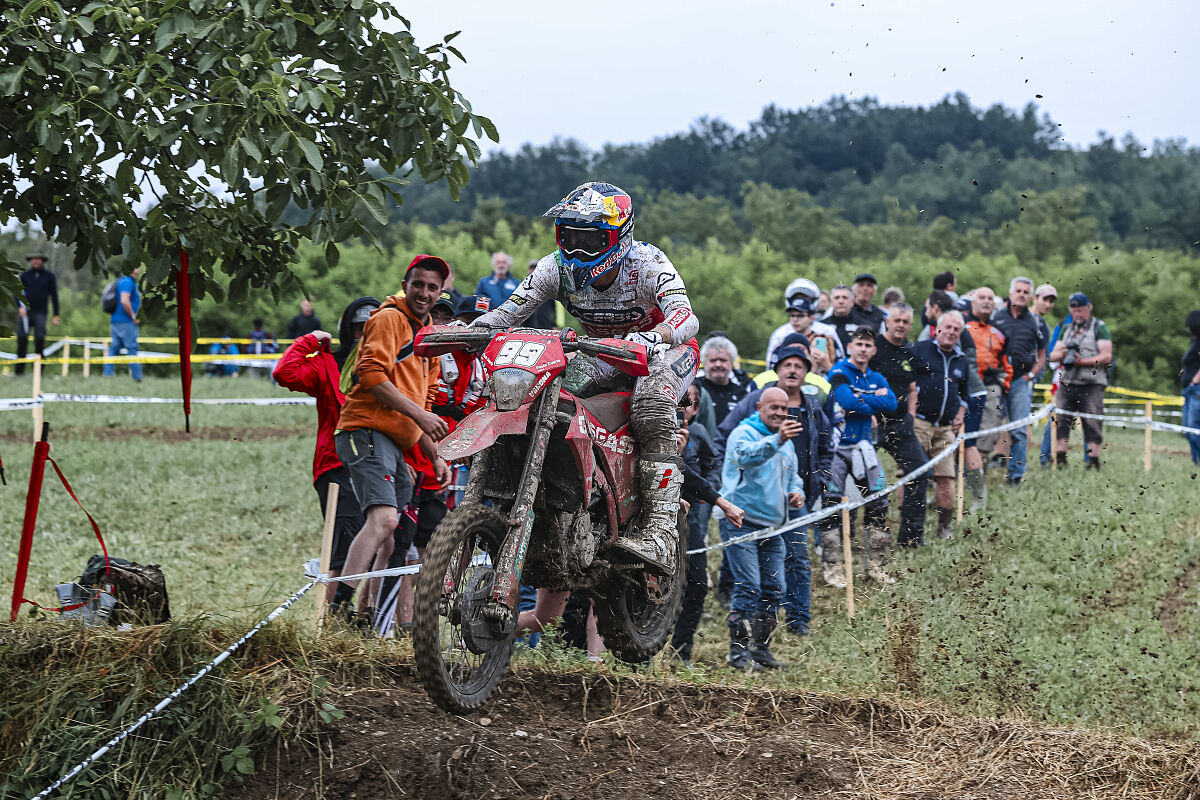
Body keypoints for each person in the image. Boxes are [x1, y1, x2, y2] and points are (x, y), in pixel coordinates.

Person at [473, 182, 700, 576]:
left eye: (589, 240)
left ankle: (661, 530)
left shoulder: (647, 264)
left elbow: (686, 316)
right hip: (600, 352)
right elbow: (505, 316)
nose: (577, 250)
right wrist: (468, 329)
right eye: (570, 237)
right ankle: (558, 499)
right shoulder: (553, 268)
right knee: (541, 394)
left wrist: (656, 336)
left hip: (663, 350)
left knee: (650, 403)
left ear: (619, 236)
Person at [333, 255, 452, 610]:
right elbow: (370, 375)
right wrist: (419, 415)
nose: (424, 293)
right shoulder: (389, 318)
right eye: (418, 284)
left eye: (433, 287)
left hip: (394, 439)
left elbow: (425, 403)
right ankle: (338, 608)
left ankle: (366, 611)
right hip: (364, 428)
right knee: (383, 519)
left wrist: (436, 456)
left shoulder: (429, 336)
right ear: (405, 285)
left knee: (393, 533)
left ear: (440, 291)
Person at [718, 334, 832, 637]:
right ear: (777, 369)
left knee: (797, 559)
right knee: (749, 561)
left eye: (799, 365)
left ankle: (798, 619)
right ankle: (743, 619)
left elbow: (824, 446)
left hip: (794, 497)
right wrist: (724, 478)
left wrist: (819, 480)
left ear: (807, 371)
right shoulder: (755, 404)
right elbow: (728, 441)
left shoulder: (812, 406)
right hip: (751, 500)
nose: (793, 370)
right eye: (787, 364)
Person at [272, 297, 380, 610]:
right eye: (358, 328)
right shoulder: (326, 363)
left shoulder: (386, 366)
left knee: (380, 541)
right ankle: (330, 620)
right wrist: (309, 340)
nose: (363, 334)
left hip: (376, 461)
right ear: (347, 329)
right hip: (336, 465)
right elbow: (284, 373)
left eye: (369, 328)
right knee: (343, 547)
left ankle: (364, 615)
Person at [718, 387, 806, 670]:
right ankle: (738, 654)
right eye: (774, 408)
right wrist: (777, 439)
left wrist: (796, 491)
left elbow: (793, 476)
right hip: (739, 523)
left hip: (773, 527)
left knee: (774, 589)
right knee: (749, 586)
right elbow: (747, 457)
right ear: (759, 407)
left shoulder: (786, 440)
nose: (781, 413)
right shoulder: (742, 434)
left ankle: (761, 651)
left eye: (785, 409)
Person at [670, 383, 745, 664]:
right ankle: (642, 655)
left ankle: (681, 652)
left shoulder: (698, 433)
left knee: (698, 583)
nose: (681, 406)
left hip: (691, 518)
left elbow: (712, 467)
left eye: (687, 401)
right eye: (676, 398)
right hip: (651, 518)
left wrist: (710, 495)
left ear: (696, 408)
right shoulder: (650, 424)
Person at [818, 328, 897, 587]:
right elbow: (847, 402)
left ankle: (875, 565)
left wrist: (861, 398)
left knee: (878, 501)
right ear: (850, 346)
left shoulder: (876, 376)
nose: (863, 349)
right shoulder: (839, 372)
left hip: (866, 448)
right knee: (832, 506)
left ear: (874, 350)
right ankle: (832, 567)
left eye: (868, 345)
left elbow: (893, 405)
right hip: (838, 448)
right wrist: (873, 400)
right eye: (859, 344)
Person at [870, 302, 929, 547]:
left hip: (902, 423)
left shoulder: (910, 352)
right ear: (887, 321)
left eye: (905, 322)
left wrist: (912, 416)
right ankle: (857, 536)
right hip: (872, 422)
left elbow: (913, 388)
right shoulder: (873, 348)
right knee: (861, 478)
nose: (901, 325)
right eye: (897, 320)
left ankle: (911, 537)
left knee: (919, 472)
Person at [911, 312, 970, 540]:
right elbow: (907, 382)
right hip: (920, 422)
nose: (952, 332)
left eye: (957, 329)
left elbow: (965, 393)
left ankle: (944, 527)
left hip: (946, 428)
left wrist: (961, 412)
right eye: (949, 327)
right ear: (938, 328)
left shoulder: (961, 359)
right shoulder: (920, 349)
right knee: (912, 474)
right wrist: (910, 410)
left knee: (946, 477)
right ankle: (910, 524)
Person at [990, 277, 1046, 486]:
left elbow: (1043, 354)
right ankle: (977, 467)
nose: (1022, 294)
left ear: (1029, 297)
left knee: (1020, 428)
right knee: (988, 425)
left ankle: (1016, 476)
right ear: (1011, 293)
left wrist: (1031, 375)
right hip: (996, 379)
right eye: (1018, 291)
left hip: (1020, 381)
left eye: (1025, 292)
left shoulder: (1035, 321)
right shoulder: (996, 317)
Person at [1049, 293, 1112, 469]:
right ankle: (1060, 459)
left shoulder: (1099, 327)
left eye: (1081, 309)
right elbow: (1052, 355)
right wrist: (1064, 353)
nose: (1078, 313)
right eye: (1074, 310)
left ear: (1089, 307)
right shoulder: (1066, 328)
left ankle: (1093, 461)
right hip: (1068, 381)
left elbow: (1107, 355)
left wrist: (1081, 362)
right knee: (1061, 420)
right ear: (1070, 310)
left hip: (1092, 383)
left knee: (1092, 421)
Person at [966, 287, 1012, 465]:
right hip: (965, 387)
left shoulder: (999, 331)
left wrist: (1003, 385)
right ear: (973, 302)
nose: (986, 301)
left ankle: (977, 470)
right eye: (982, 297)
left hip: (990, 387)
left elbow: (1006, 363)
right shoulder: (961, 326)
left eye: (990, 298)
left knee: (989, 430)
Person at [765, 278, 840, 370]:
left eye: (800, 315)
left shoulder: (827, 331)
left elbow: (840, 365)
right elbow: (770, 368)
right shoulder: (779, 334)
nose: (795, 319)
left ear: (811, 316)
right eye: (792, 315)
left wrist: (826, 364)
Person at [14, 252, 60, 375]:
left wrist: (56, 315)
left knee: (39, 341)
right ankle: (19, 372)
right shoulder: (24, 276)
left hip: (41, 314)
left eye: (38, 259)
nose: (36, 261)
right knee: (22, 341)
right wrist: (19, 307)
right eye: (33, 259)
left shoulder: (49, 276)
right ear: (31, 261)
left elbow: (54, 296)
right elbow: (16, 291)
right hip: (25, 314)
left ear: (42, 261)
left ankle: (40, 372)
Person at [695, 336, 753, 430]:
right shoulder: (694, 390)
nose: (718, 364)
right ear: (704, 362)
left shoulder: (742, 394)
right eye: (713, 360)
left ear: (732, 363)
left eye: (723, 360)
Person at [102, 266, 142, 382]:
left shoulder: (123, 281)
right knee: (132, 348)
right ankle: (137, 378)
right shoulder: (127, 282)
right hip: (126, 322)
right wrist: (134, 316)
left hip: (115, 320)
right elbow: (124, 301)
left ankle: (107, 376)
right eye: (134, 267)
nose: (137, 270)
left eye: (138, 267)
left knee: (114, 348)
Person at [1182, 311, 1200, 465]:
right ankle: (1196, 462)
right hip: (1190, 390)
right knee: (1188, 429)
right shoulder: (1196, 341)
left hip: (1197, 390)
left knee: (1194, 429)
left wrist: (1195, 380)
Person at [820, 284, 859, 351]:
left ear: (852, 302)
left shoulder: (862, 326)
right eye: (837, 297)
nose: (841, 301)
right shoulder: (821, 327)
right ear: (831, 302)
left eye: (845, 297)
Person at [525, 259, 559, 330]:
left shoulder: (549, 286)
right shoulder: (524, 288)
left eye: (535, 268)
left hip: (546, 327)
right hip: (528, 328)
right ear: (528, 270)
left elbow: (554, 309)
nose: (533, 270)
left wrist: (554, 324)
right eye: (531, 268)